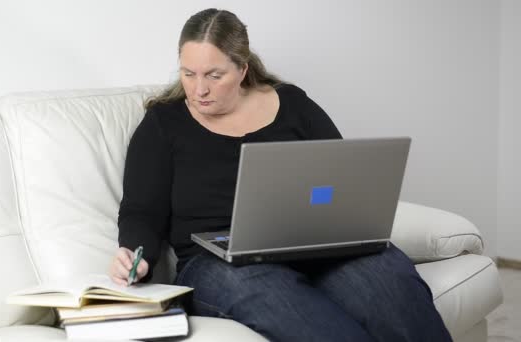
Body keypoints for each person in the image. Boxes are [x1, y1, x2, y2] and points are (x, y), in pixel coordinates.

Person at [110, 8, 452, 342]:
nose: (199, 89)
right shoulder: (163, 125)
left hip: (311, 244)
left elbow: (342, 177)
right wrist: (135, 254)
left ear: (242, 69)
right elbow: (142, 211)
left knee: (388, 280)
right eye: (188, 73)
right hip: (218, 263)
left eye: (214, 76)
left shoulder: (292, 105)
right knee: (296, 312)